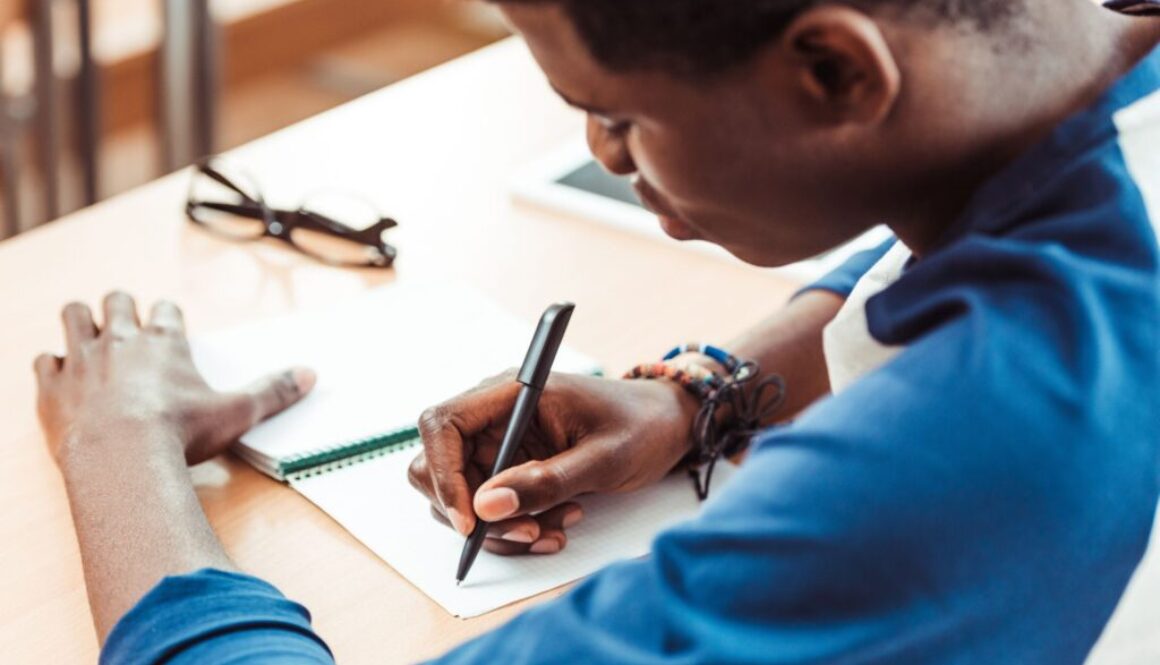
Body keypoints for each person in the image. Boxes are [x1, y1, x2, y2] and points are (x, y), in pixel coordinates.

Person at [32, 0, 1160, 663]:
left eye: (619, 113)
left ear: (832, 70)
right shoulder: (1094, 67)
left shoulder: (962, 454)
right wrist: (698, 395)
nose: (607, 155)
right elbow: (948, 244)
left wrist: (119, 446)